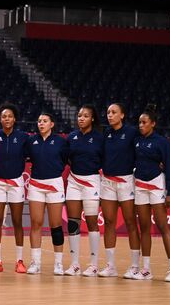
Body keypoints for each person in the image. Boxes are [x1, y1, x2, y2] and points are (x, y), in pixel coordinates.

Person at [133, 105, 170, 282]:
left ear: (153, 123)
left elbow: (169, 167)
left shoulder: (162, 142)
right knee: (144, 227)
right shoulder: (136, 141)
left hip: (156, 186)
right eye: (139, 122)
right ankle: (146, 269)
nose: (141, 125)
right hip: (139, 186)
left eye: (144, 122)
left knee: (162, 226)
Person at [98, 103, 141, 278]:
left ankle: (135, 266)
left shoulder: (131, 132)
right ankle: (110, 266)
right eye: (108, 112)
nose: (110, 115)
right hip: (107, 182)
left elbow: (142, 149)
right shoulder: (105, 133)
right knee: (109, 223)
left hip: (126, 182)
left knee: (131, 222)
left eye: (114, 112)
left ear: (122, 115)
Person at [25, 113, 68, 275]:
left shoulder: (60, 142)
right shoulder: (31, 141)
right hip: (36, 184)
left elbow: (64, 160)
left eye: (45, 121)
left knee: (56, 225)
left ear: (52, 124)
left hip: (54, 184)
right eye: (39, 121)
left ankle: (58, 264)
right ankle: (35, 263)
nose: (41, 123)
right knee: (36, 223)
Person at [0, 103, 29, 273]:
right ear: (0, 119)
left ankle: (19, 261)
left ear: (14, 119)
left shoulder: (23, 137)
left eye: (10, 116)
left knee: (18, 222)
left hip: (16, 183)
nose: (7, 119)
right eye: (4, 116)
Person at [65, 104, 103, 277]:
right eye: (79, 115)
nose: (81, 118)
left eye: (85, 116)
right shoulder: (71, 137)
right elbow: (66, 158)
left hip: (92, 181)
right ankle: (75, 265)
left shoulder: (99, 138)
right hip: (74, 181)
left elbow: (105, 159)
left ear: (92, 118)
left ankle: (94, 265)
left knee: (92, 222)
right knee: (73, 223)